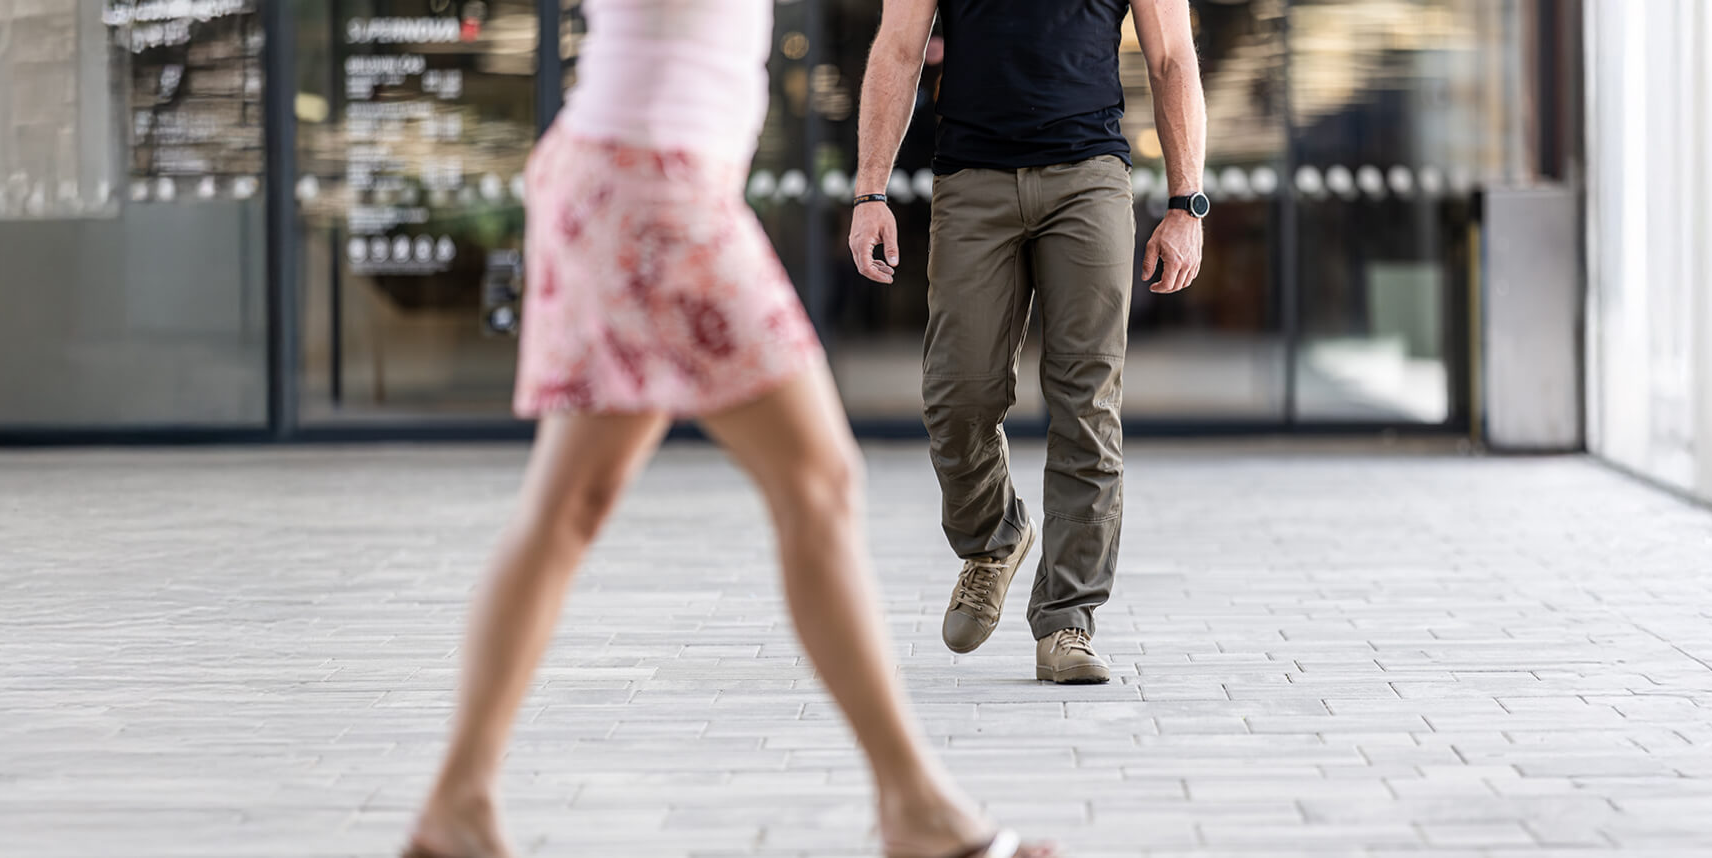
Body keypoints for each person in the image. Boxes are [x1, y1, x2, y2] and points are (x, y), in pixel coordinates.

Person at [402, 2, 1058, 857]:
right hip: (654, 185)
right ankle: (916, 807)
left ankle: (458, 804)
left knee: (571, 507)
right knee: (815, 484)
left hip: (627, 172)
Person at [850, 0, 1209, 683]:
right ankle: (993, 539)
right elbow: (896, 49)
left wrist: (1187, 203)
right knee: (957, 396)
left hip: (1089, 178)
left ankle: (1068, 620)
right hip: (970, 180)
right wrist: (870, 194)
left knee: (1086, 405)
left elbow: (1170, 57)